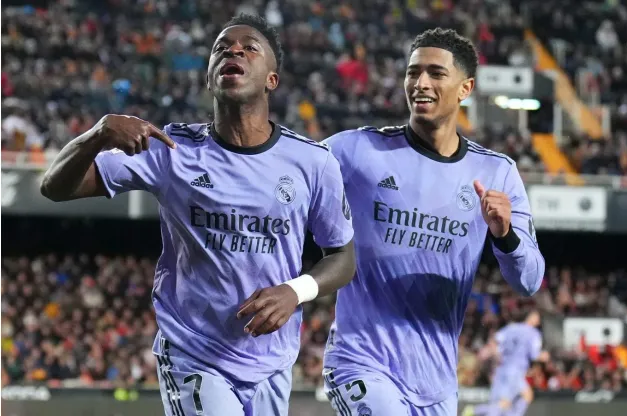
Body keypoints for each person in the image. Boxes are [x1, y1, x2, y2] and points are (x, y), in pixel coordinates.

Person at [40, 14, 356, 416]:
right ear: (209, 78)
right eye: (222, 47)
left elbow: (343, 258)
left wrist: (295, 291)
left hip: (271, 361)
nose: (234, 50)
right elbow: (55, 186)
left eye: (249, 47)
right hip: (193, 353)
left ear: (271, 80)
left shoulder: (312, 162)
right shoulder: (171, 150)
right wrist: (98, 134)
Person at [321, 28, 545, 416]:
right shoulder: (357, 150)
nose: (420, 83)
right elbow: (280, 167)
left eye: (436, 74)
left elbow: (529, 280)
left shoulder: (496, 172)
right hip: (361, 362)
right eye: (413, 72)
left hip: (436, 383)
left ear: (465, 87)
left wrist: (505, 235)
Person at [465, 310, 549, 416]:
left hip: (502, 369)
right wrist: (545, 356)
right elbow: (534, 355)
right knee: (507, 402)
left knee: (521, 397)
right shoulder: (534, 334)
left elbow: (495, 340)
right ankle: (475, 410)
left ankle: (475, 411)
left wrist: (496, 356)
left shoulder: (512, 328)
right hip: (515, 371)